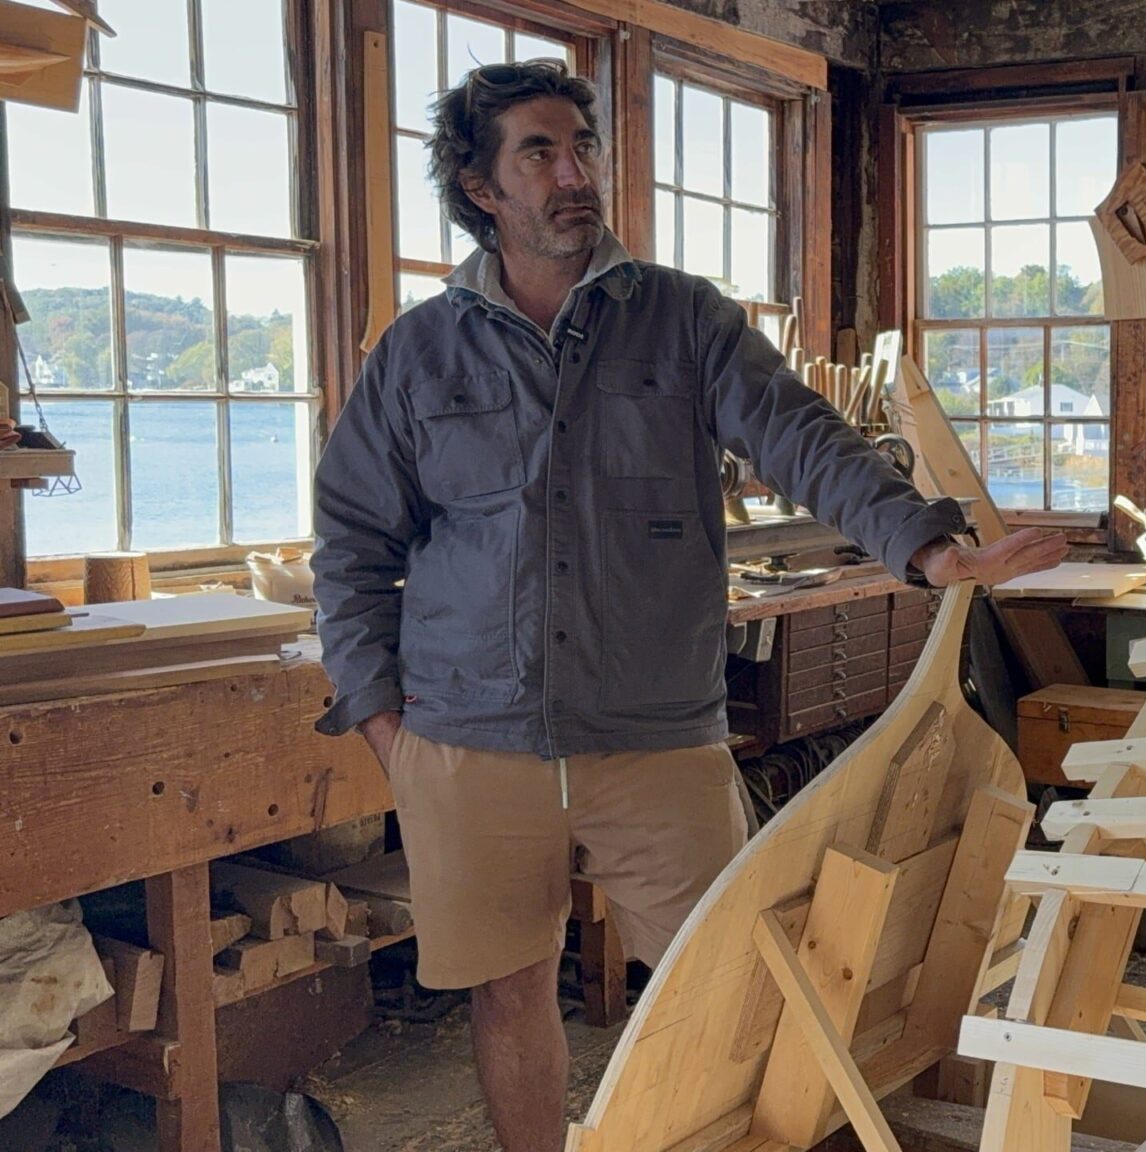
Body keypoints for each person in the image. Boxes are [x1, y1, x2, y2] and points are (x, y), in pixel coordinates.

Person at [310, 60, 1064, 1152]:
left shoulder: (683, 320)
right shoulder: (417, 353)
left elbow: (805, 436)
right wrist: (383, 720)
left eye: (584, 146)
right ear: (481, 187)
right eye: (539, 152)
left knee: (735, 982)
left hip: (656, 733)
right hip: (469, 735)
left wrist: (925, 544)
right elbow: (350, 543)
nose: (576, 173)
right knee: (508, 991)